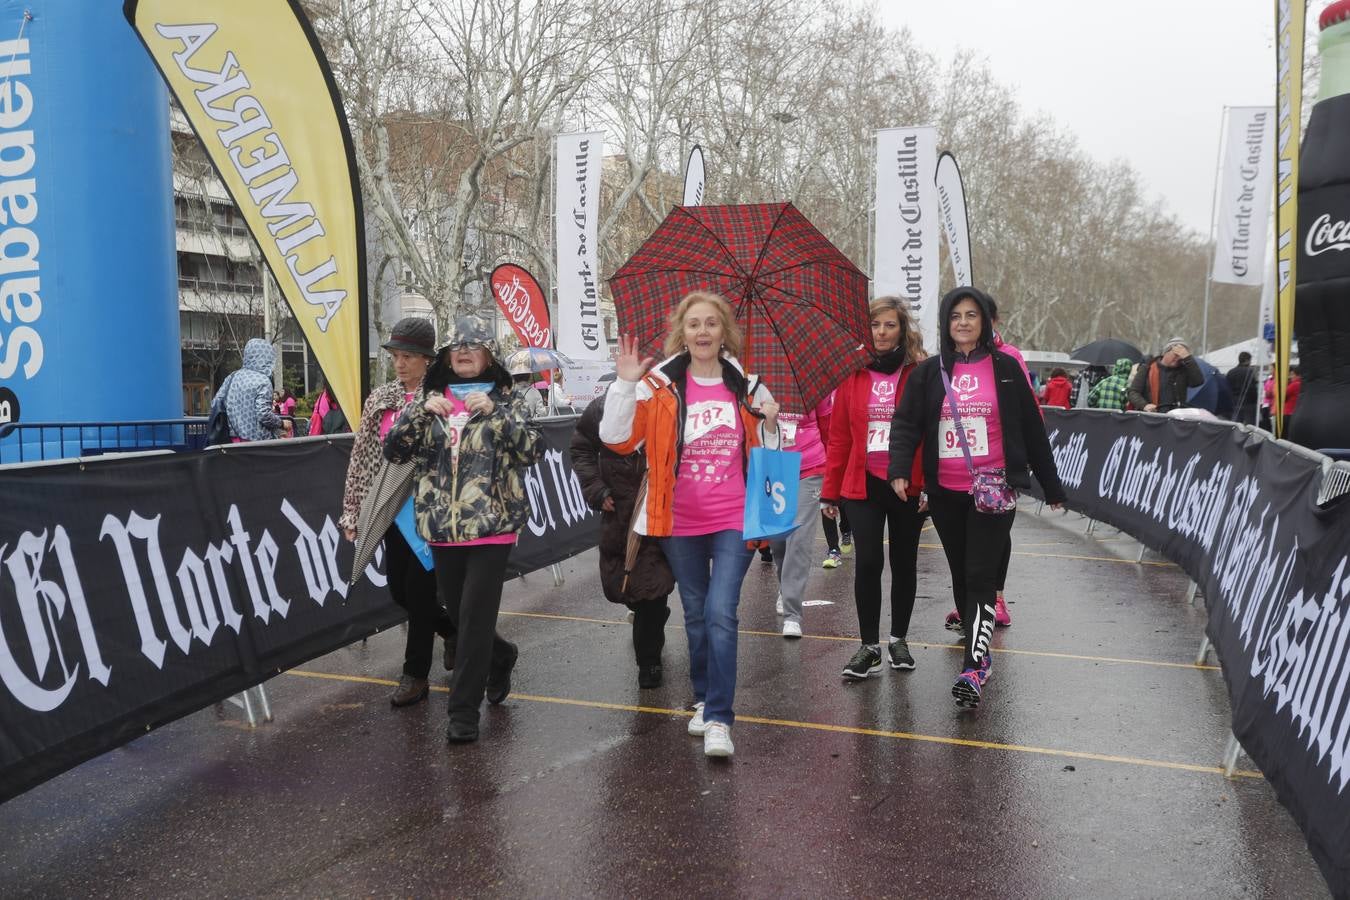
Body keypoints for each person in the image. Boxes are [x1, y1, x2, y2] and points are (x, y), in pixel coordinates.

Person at [600, 291, 779, 759]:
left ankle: (720, 717)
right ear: (682, 331)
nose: (703, 332)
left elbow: (772, 454)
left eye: (712, 324)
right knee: (696, 614)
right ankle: (702, 697)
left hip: (734, 517)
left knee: (722, 612)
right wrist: (622, 385)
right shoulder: (658, 386)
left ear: (725, 332)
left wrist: (774, 423)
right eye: (694, 324)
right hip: (677, 519)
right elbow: (617, 440)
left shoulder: (749, 387)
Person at [889, 287, 1066, 709]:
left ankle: (975, 662)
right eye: (956, 316)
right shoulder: (929, 373)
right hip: (946, 491)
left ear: (985, 322)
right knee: (962, 574)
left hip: (994, 488)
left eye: (972, 315)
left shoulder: (1006, 367)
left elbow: (1031, 426)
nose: (964, 323)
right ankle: (976, 645)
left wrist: (1051, 486)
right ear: (946, 324)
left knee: (981, 573)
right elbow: (906, 423)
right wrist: (899, 469)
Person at [384, 315, 543, 744]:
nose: (465, 353)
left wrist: (497, 416)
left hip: (493, 528)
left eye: (473, 347)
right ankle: (501, 654)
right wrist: (418, 412)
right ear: (447, 358)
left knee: (473, 619)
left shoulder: (508, 399)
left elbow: (534, 451)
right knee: (458, 615)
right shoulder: (430, 400)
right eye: (457, 348)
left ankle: (462, 712)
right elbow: (394, 450)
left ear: (488, 355)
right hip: (441, 528)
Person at [340, 317, 456, 707]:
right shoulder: (380, 399)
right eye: (396, 356)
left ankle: (415, 675)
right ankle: (459, 633)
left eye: (409, 357)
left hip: (430, 512)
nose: (401, 364)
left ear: (427, 360)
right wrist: (352, 511)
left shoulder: (443, 397)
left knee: (421, 595)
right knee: (398, 590)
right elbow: (362, 460)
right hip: (389, 508)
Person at [821, 296, 927, 679]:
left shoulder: (919, 372)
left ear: (903, 330)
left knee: (903, 562)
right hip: (861, 483)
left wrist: (927, 485)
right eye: (875, 326)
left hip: (906, 484)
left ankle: (898, 639)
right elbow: (839, 439)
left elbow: (930, 433)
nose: (881, 333)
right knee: (867, 562)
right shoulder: (852, 374)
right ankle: (868, 647)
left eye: (889, 326)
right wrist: (829, 492)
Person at [570, 385, 674, 688]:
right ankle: (650, 619)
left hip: (662, 509)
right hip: (620, 513)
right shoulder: (603, 407)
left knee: (653, 586)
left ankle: (649, 662)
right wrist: (596, 489)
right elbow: (581, 447)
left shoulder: (672, 403)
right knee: (631, 588)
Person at [768, 395, 831, 638]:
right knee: (778, 541)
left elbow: (828, 428)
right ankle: (786, 587)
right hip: (773, 468)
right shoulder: (757, 385)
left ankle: (793, 614)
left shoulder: (813, 383)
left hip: (810, 467)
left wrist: (831, 478)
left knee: (799, 539)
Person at [220, 338, 285, 442]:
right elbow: (263, 414)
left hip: (233, 438)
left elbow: (217, 402)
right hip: (257, 442)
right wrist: (281, 423)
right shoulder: (263, 381)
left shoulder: (232, 377)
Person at [1128, 339, 1204, 413]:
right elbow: (1133, 392)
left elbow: (1198, 381)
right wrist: (1144, 405)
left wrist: (1188, 358)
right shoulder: (1147, 367)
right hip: (1152, 416)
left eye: (1181, 356)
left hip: (1175, 418)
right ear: (1165, 352)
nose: (1178, 358)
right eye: (1176, 354)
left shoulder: (1183, 370)